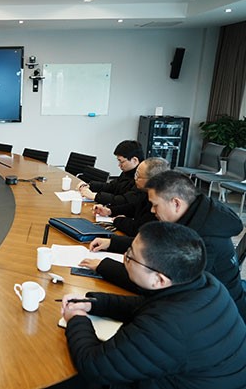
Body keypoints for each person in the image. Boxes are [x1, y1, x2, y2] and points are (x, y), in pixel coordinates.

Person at [61, 222, 246, 389]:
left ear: (159, 279)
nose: (125, 257)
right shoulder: (205, 283)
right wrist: (94, 304)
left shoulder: (165, 328)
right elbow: (149, 306)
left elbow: (94, 367)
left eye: (130, 257)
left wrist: (76, 319)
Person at [82, 170, 246, 320]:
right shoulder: (196, 216)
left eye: (155, 205)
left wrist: (104, 266)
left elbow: (157, 284)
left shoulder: (203, 241)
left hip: (218, 317)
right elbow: (157, 247)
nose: (152, 211)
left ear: (176, 203)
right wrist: (113, 242)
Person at [92, 157, 169, 236]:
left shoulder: (160, 201)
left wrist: (118, 220)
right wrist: (110, 211)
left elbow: (139, 229)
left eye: (138, 176)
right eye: (136, 174)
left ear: (152, 180)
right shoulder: (144, 192)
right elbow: (133, 207)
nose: (135, 178)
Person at [78, 140, 144, 205]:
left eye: (121, 161)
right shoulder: (128, 172)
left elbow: (125, 200)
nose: (119, 165)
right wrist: (90, 185)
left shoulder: (143, 178)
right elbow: (112, 186)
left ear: (134, 160)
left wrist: (95, 196)